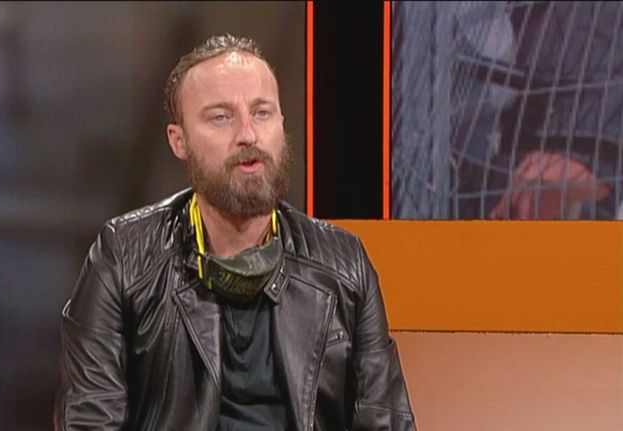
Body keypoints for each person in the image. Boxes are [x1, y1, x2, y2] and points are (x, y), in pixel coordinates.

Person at [54, 34, 415, 430]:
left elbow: (385, 421)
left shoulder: (344, 264)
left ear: (282, 124)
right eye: (221, 117)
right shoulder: (124, 258)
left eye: (262, 112)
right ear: (179, 141)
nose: (248, 134)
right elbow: (89, 420)